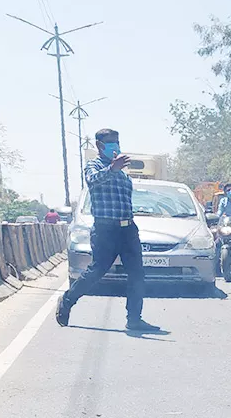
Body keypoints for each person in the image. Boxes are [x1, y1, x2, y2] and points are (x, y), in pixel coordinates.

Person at [57, 127, 160, 332]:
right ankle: (68, 300)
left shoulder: (123, 174)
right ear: (100, 145)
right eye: (112, 142)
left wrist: (116, 170)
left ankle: (134, 318)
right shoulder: (94, 166)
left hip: (128, 230)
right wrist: (111, 168)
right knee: (97, 271)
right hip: (105, 230)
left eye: (118, 141)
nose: (116, 146)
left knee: (137, 274)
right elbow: (92, 181)